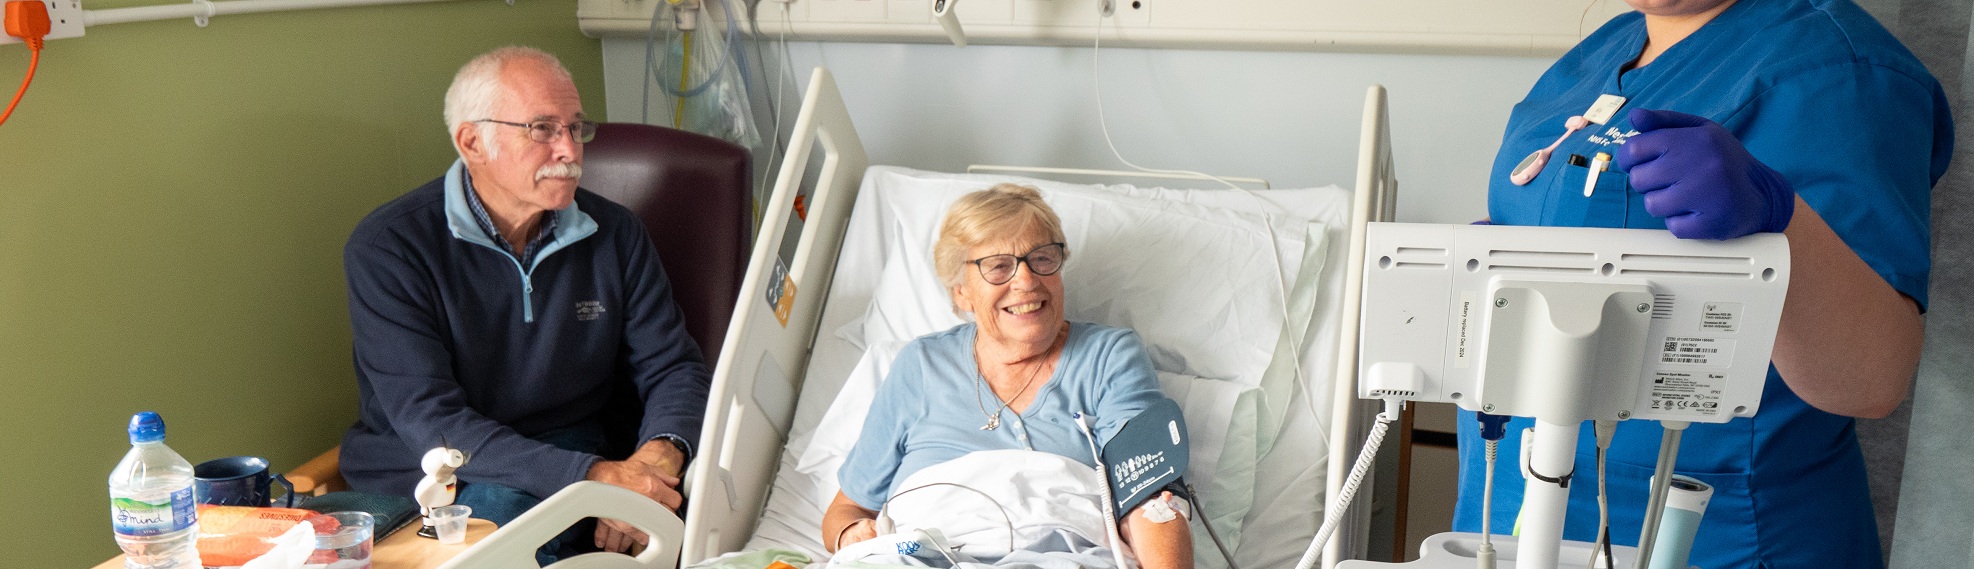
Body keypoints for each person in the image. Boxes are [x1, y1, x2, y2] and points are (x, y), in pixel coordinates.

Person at [1456, 1, 1952, 568]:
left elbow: (1873, 378)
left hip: (1714, 537)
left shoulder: (1842, 71)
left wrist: (1778, 218)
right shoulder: (1610, 48)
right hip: (1511, 506)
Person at [339, 46, 712, 561]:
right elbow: (433, 420)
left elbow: (673, 366)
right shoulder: (389, 247)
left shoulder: (617, 233)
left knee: (703, 511)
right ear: (473, 142)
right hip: (436, 473)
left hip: (571, 442)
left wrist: (658, 460)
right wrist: (598, 480)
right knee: (503, 532)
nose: (569, 150)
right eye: (542, 129)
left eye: (576, 128)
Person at [821, 184, 1195, 568]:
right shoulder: (921, 366)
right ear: (962, 293)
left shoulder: (1108, 357)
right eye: (999, 266)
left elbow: (1151, 501)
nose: (1027, 281)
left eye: (1042, 258)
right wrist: (852, 535)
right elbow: (847, 509)